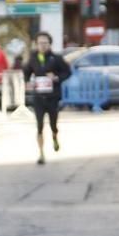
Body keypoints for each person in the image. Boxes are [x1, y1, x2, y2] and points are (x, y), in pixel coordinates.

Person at [23, 32, 71, 165]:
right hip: (38, 97)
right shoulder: (33, 58)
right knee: (39, 126)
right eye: (40, 43)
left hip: (52, 98)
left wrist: (56, 78)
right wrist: (27, 81)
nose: (42, 46)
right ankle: (41, 154)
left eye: (45, 43)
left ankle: (55, 137)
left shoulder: (56, 58)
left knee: (53, 125)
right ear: (36, 44)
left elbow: (67, 72)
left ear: (50, 44)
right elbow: (26, 71)